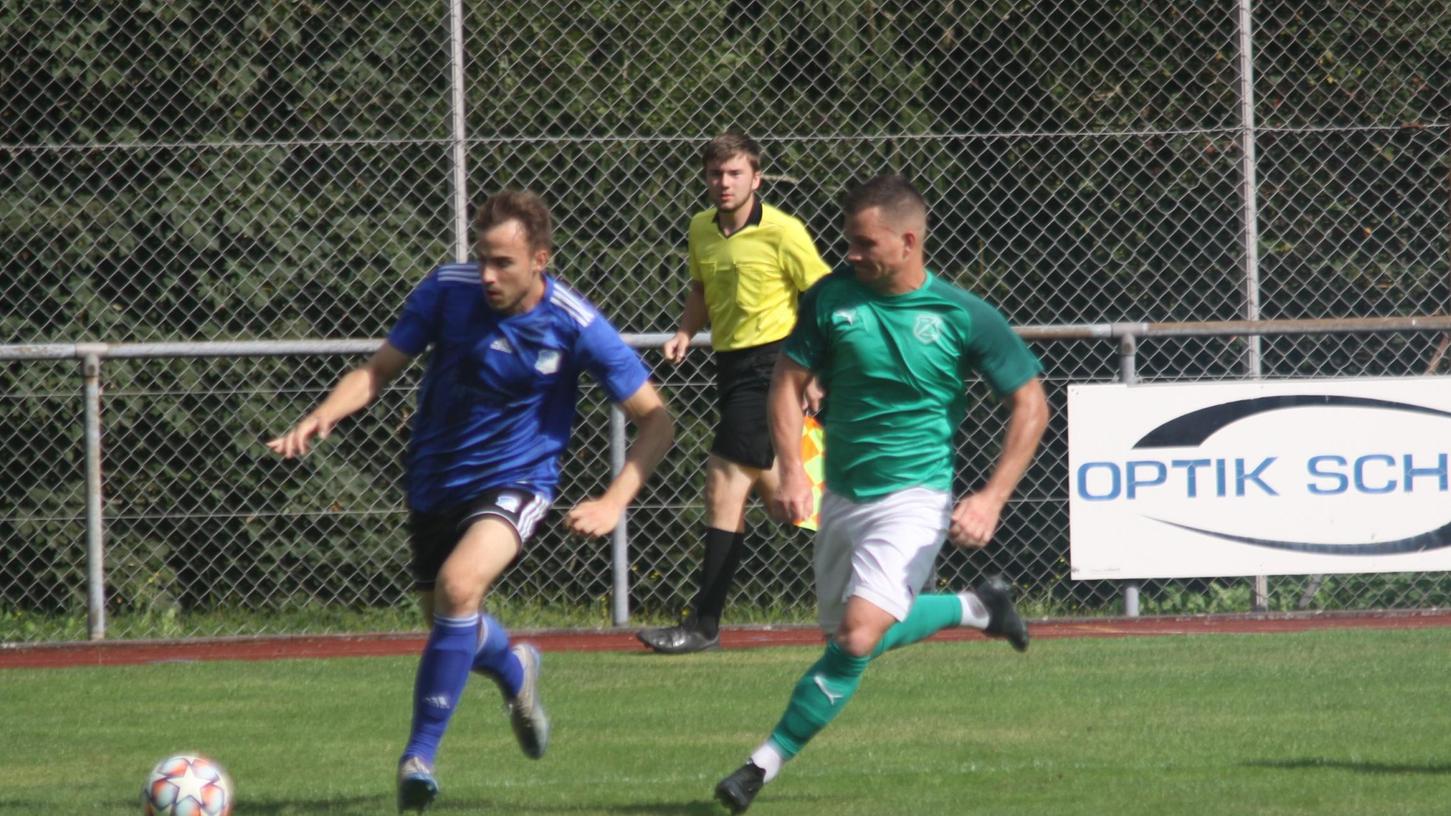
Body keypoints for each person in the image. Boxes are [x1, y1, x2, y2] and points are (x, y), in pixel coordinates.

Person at [265, 190, 674, 813]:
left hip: (518, 480)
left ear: (540, 259)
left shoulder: (574, 323)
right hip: (433, 480)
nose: (487, 273)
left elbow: (658, 420)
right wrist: (321, 416)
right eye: (483, 257)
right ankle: (515, 670)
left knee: (460, 588)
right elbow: (378, 370)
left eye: (504, 262)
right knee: (446, 622)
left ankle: (418, 757)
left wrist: (616, 500)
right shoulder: (446, 290)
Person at [712, 174, 1050, 813]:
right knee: (844, 634)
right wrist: (789, 470)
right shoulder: (829, 299)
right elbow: (786, 382)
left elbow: (1030, 403)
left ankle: (760, 766)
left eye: (865, 244)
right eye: (849, 243)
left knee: (858, 638)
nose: (853, 255)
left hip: (916, 498)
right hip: (841, 494)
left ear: (908, 241)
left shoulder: (963, 314)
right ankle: (977, 608)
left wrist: (993, 497)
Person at [637, 131, 831, 655]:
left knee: (723, 481)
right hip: (730, 366)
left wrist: (815, 372)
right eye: (716, 174)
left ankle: (702, 624)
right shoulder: (701, 227)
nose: (724, 183)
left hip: (775, 366)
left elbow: (824, 299)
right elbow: (701, 287)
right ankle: (878, 564)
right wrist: (684, 331)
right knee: (784, 500)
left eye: (735, 173)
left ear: (756, 179)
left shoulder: (784, 232)